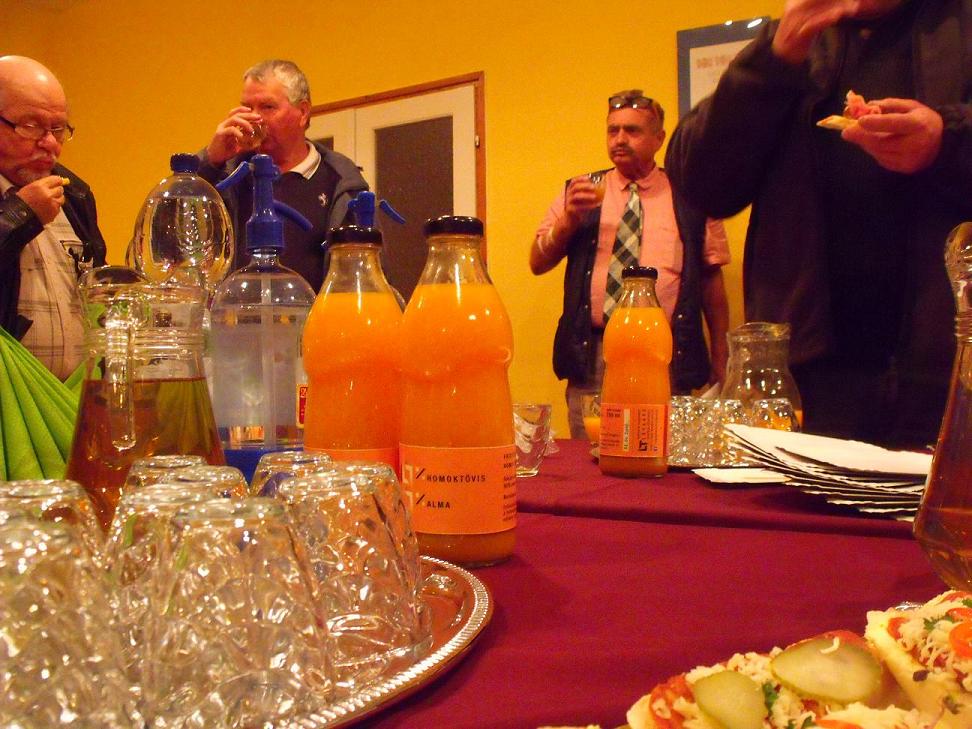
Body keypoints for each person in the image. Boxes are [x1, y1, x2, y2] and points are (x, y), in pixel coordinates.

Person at [665, 0, 972, 449]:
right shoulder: (795, 43)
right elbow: (699, 182)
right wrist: (773, 59)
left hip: (949, 373)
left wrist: (946, 141)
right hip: (808, 377)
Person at [531, 90, 731, 439]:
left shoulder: (691, 195)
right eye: (613, 130)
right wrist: (568, 221)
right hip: (595, 353)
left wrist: (721, 355)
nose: (620, 139)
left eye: (633, 130)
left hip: (667, 352)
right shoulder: (580, 191)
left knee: (663, 451)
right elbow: (537, 261)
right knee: (592, 456)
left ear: (659, 139)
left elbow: (711, 280)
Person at [197, 59, 369, 292]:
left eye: (267, 107)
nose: (254, 118)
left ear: (303, 112)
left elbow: (362, 277)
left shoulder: (339, 180)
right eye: (247, 108)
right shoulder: (227, 173)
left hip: (313, 315)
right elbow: (171, 238)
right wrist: (210, 160)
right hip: (233, 314)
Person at [0, 55, 106, 380]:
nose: (50, 144)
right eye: (30, 126)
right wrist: (22, 214)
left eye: (57, 129)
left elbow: (95, 296)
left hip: (72, 399)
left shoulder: (76, 194)